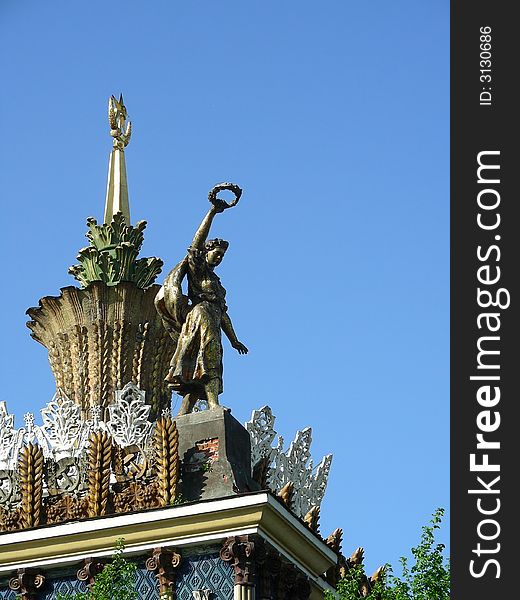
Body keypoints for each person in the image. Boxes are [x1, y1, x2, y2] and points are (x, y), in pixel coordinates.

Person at [155, 186, 248, 415]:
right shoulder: (200, 271)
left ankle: (183, 414)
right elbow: (196, 243)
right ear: (206, 253)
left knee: (201, 363)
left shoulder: (217, 283)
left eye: (222, 256)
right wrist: (213, 212)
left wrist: (235, 340)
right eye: (216, 253)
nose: (219, 257)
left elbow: (223, 314)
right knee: (208, 358)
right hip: (200, 317)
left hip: (213, 320)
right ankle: (213, 404)